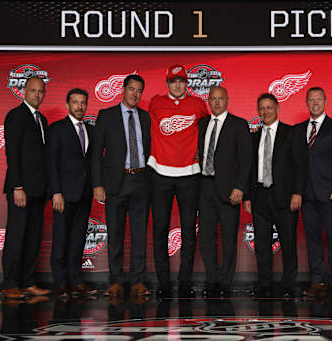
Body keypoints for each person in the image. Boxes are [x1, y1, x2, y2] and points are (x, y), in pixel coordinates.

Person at [147, 64, 208, 298]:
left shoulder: (198, 105)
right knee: (160, 230)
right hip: (160, 174)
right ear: (167, 83)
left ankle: (185, 283)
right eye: (173, 81)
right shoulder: (155, 103)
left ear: (187, 83)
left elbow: (211, 126)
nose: (178, 85)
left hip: (189, 175)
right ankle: (164, 283)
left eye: (181, 81)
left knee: (189, 233)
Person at [91, 74, 151, 297]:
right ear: (123, 89)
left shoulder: (145, 117)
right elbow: (96, 153)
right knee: (115, 234)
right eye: (132, 89)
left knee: (139, 236)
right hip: (116, 182)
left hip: (141, 181)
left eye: (139, 91)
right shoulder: (106, 116)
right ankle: (115, 281)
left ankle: (137, 281)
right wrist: (97, 184)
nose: (135, 94)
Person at [243, 93, 306, 298]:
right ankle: (265, 285)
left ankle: (288, 285)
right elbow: (249, 169)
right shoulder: (253, 136)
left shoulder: (291, 133)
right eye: (261, 108)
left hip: (286, 197)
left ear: (277, 109)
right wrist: (248, 197)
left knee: (288, 243)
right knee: (262, 244)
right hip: (260, 195)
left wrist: (298, 193)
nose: (265, 112)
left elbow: (300, 166)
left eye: (269, 107)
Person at [198, 86, 253, 297]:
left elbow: (246, 159)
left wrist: (240, 187)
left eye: (221, 98)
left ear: (227, 100)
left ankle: (225, 282)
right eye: (213, 99)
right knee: (206, 237)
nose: (217, 102)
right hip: (205, 187)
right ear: (208, 101)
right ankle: (212, 279)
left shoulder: (238, 124)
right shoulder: (202, 124)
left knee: (228, 238)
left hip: (230, 190)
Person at [294, 87, 332, 298]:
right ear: (306, 103)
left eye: (318, 99)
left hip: (330, 193)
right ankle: (317, 281)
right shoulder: (298, 129)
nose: (315, 103)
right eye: (311, 100)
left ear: (325, 101)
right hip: (307, 195)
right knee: (313, 240)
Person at [1, 76, 51, 299]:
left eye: (41, 91)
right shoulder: (15, 116)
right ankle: (10, 284)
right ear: (24, 92)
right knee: (16, 236)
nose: (37, 95)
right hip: (20, 189)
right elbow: (12, 153)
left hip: (39, 190)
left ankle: (28, 282)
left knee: (32, 238)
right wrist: (17, 186)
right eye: (33, 91)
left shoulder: (42, 120)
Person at [48, 88, 97, 298]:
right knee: (60, 239)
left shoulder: (91, 130)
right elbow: (51, 163)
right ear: (67, 105)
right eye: (75, 102)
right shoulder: (57, 129)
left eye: (82, 103)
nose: (79, 106)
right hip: (64, 195)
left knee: (78, 240)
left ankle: (76, 281)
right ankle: (60, 284)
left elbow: (92, 163)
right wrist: (56, 192)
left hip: (84, 194)